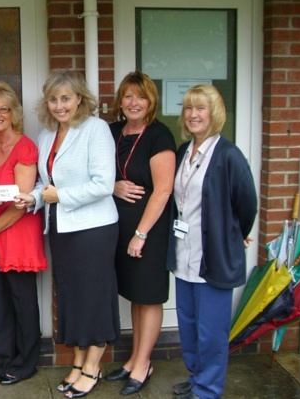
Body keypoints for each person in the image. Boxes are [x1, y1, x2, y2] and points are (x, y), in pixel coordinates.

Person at [16, 70, 120, 399]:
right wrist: (32, 198)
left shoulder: (96, 129)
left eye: (66, 98)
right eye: (53, 99)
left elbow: (104, 184)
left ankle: (93, 365)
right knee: (71, 297)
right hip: (61, 229)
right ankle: (77, 362)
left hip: (93, 230)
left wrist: (60, 196)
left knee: (92, 297)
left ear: (79, 100)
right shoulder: (48, 136)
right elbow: (44, 185)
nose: (59, 105)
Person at [169, 84, 257, 399]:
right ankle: (197, 377)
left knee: (211, 332)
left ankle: (208, 389)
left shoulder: (228, 155)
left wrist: (233, 233)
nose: (193, 114)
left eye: (201, 108)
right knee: (189, 327)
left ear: (214, 113)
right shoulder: (183, 151)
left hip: (214, 258)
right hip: (183, 254)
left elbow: (247, 204)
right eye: (189, 108)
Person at [0, 82, 48, 386]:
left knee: (22, 301)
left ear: (14, 113)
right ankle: (3, 360)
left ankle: (26, 362)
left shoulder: (25, 147)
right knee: (1, 302)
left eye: (3, 109)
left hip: (17, 233)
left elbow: (22, 201)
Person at [105, 71, 176, 396]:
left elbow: (162, 191)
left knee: (148, 295)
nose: (133, 103)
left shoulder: (159, 136)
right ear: (121, 100)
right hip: (118, 226)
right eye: (128, 96)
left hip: (149, 228)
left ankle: (144, 364)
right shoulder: (113, 131)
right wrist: (113, 186)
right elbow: (98, 173)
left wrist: (141, 234)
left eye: (141, 97)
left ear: (151, 102)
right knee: (135, 294)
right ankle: (134, 359)